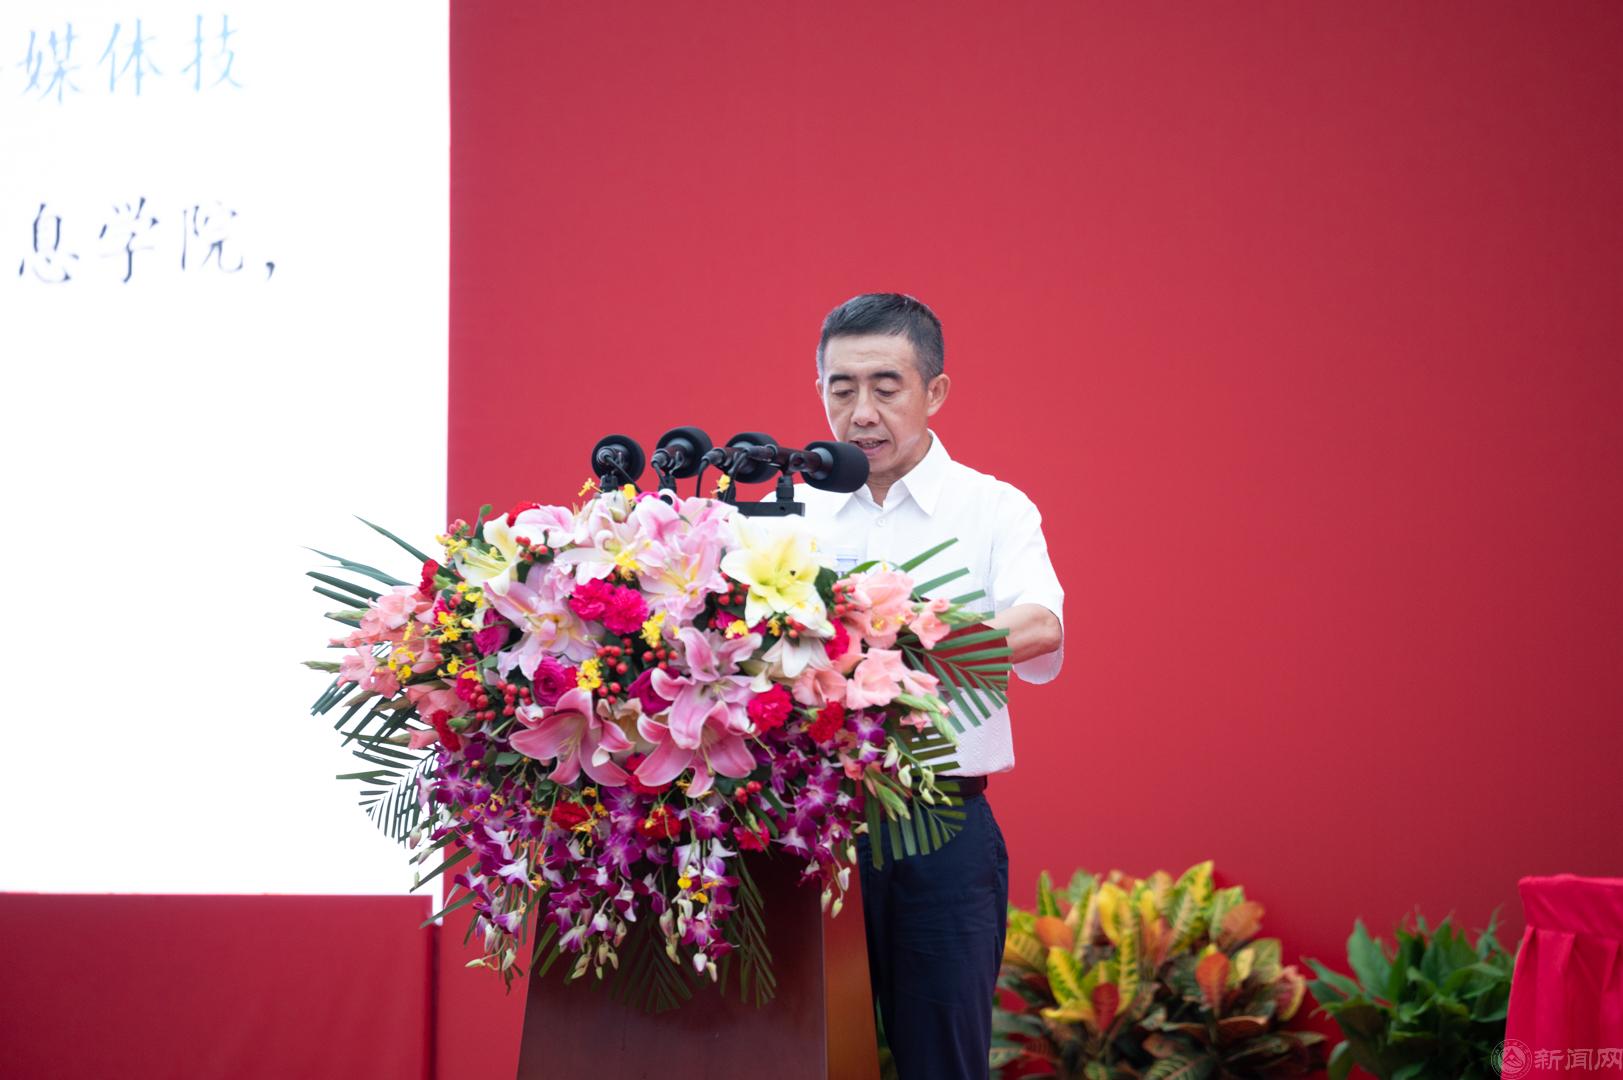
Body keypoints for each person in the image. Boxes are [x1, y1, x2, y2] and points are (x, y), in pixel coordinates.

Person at [793, 292, 1066, 1079]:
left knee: (941, 1064)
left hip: (940, 826)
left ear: (934, 391)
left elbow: (1039, 624)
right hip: (807, 831)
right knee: (799, 1057)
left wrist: (897, 643)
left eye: (886, 387)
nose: (861, 412)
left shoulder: (992, 508)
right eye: (841, 388)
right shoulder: (788, 514)